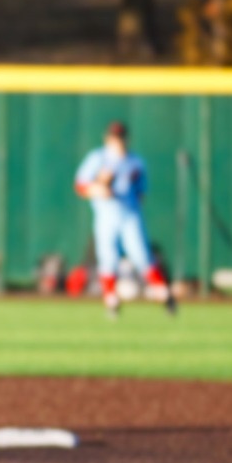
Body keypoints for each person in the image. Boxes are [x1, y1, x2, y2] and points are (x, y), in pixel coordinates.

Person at [74, 120, 176, 317]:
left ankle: (164, 295)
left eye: (120, 137)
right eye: (114, 137)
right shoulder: (98, 158)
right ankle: (111, 301)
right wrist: (97, 188)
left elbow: (141, 192)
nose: (117, 141)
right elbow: (80, 185)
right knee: (108, 257)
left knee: (141, 256)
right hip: (105, 214)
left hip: (129, 214)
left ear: (127, 139)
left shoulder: (135, 161)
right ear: (107, 139)